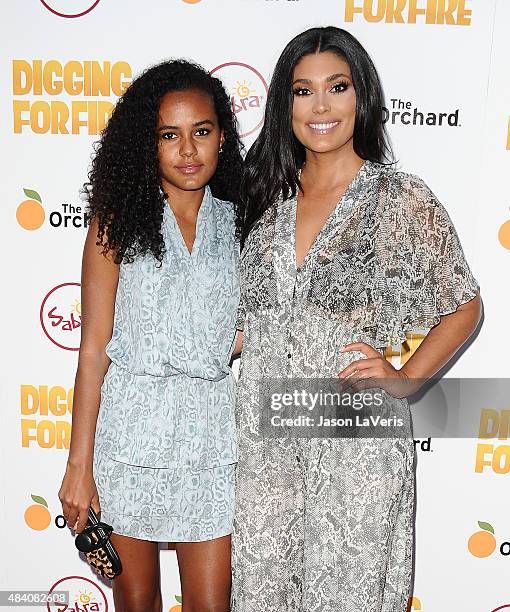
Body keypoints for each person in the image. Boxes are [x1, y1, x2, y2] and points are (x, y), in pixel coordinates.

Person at [231, 26, 481, 612]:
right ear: (284, 106)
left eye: (336, 87)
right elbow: (246, 323)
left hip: (356, 453)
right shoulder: (263, 203)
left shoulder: (400, 199)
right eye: (302, 91)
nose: (320, 107)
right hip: (264, 452)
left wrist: (407, 378)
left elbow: (464, 304)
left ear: (361, 96)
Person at [58, 59, 244, 612]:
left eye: (202, 132)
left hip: (212, 443)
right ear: (148, 143)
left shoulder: (242, 222)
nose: (188, 150)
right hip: (129, 441)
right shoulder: (115, 222)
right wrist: (78, 467)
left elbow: (250, 327)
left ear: (222, 137)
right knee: (137, 602)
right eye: (170, 135)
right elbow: (93, 350)